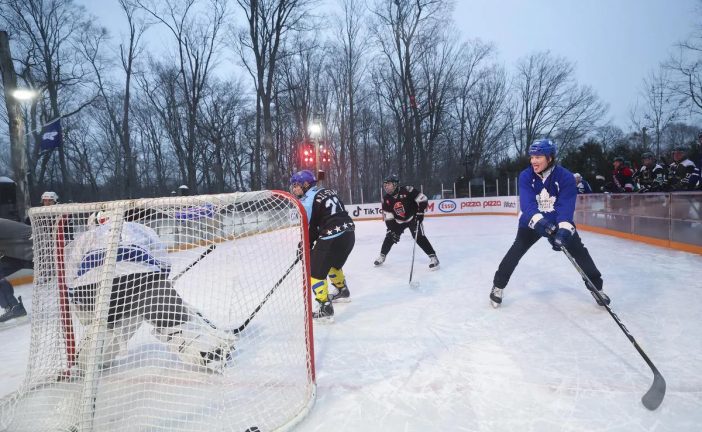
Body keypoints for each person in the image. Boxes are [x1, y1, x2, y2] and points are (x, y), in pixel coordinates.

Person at [65, 211, 235, 372]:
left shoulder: (85, 237)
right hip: (142, 280)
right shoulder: (141, 229)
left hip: (93, 290)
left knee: (109, 324)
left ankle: (87, 359)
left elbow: (71, 278)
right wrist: (160, 285)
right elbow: (163, 262)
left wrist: (86, 311)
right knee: (168, 316)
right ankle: (208, 351)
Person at [490, 139, 610, 308]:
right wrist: (542, 224)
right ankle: (498, 286)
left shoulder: (565, 177)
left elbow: (565, 207)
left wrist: (563, 231)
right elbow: (528, 205)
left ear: (550, 158)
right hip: (532, 221)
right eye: (532, 156)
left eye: (538, 157)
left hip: (557, 220)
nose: (533, 161)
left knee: (579, 251)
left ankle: (596, 288)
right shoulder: (526, 176)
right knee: (516, 250)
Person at [290, 170, 355, 323]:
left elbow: (310, 228)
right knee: (333, 265)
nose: (294, 189)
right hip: (349, 234)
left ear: (306, 184)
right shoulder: (327, 191)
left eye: (296, 185)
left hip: (331, 236)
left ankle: (325, 308)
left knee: (315, 272)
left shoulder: (307, 199)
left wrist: (304, 245)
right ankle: (342, 291)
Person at [374, 174, 439, 269]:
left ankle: (433, 257)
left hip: (413, 218)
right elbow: (388, 216)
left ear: (395, 184)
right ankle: (382, 256)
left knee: (419, 237)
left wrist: (420, 213)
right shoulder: (386, 199)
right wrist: (391, 229)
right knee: (389, 236)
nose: (386, 186)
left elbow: (423, 199)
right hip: (398, 221)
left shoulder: (408, 190)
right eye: (385, 185)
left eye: (388, 184)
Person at [0, 218, 33, 327]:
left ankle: (13, 307)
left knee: (64, 271)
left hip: (34, 247)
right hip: (19, 251)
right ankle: (14, 308)